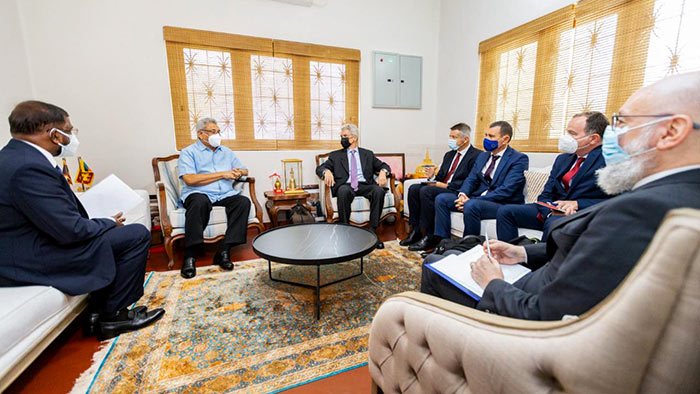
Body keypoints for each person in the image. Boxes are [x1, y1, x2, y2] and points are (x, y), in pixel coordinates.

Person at [421, 71, 700, 320]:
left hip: (516, 309)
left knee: (434, 265)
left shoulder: (639, 210)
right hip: (535, 271)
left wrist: (493, 283)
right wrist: (522, 252)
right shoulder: (667, 195)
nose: (614, 135)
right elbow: (585, 252)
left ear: (671, 131)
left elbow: (544, 314)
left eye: (623, 123)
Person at [0, 101, 164, 339]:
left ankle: (97, 311)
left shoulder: (14, 156)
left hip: (30, 244)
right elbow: (70, 231)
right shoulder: (28, 168)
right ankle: (114, 316)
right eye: (69, 129)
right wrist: (108, 222)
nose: (72, 136)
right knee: (135, 235)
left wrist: (99, 223)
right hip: (33, 257)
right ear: (54, 134)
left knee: (116, 234)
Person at [411, 121, 528, 251]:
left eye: (491, 136)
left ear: (505, 139)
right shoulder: (484, 156)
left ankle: (466, 248)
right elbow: (471, 179)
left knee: (471, 205)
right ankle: (443, 244)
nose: (486, 139)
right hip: (476, 198)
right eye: (486, 135)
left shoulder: (518, 159)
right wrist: (463, 194)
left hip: (500, 203)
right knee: (442, 199)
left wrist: (472, 200)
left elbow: (507, 190)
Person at [496, 112, 611, 241]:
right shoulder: (562, 159)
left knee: (554, 223)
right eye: (567, 132)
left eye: (572, 134)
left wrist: (577, 204)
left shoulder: (609, 161)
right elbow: (545, 194)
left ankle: (538, 259)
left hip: (581, 214)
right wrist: (550, 212)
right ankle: (509, 255)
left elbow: (616, 200)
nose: (566, 138)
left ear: (593, 138)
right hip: (552, 211)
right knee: (505, 211)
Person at [178, 117, 251, 279]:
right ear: (200, 134)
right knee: (199, 202)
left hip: (224, 193)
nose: (217, 135)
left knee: (243, 202)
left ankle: (224, 250)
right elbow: (189, 179)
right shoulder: (188, 152)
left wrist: (239, 172)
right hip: (199, 193)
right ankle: (190, 256)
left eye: (218, 132)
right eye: (212, 132)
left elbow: (245, 170)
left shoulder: (226, 152)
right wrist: (222, 174)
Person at [400, 123, 482, 247]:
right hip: (442, 187)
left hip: (457, 191)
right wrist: (433, 176)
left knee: (426, 191)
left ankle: (430, 235)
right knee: (414, 188)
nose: (451, 140)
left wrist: (442, 185)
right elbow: (440, 177)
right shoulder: (449, 155)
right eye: (450, 136)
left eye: (454, 137)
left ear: (465, 139)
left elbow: (470, 181)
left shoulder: (477, 155)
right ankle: (415, 230)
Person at [315, 124, 391, 249]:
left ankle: (372, 233)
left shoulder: (367, 154)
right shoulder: (335, 155)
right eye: (341, 136)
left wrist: (383, 172)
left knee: (378, 190)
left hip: (364, 185)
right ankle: (345, 232)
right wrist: (326, 171)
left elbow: (384, 165)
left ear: (354, 138)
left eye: (345, 136)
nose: (342, 139)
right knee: (343, 190)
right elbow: (320, 168)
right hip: (347, 185)